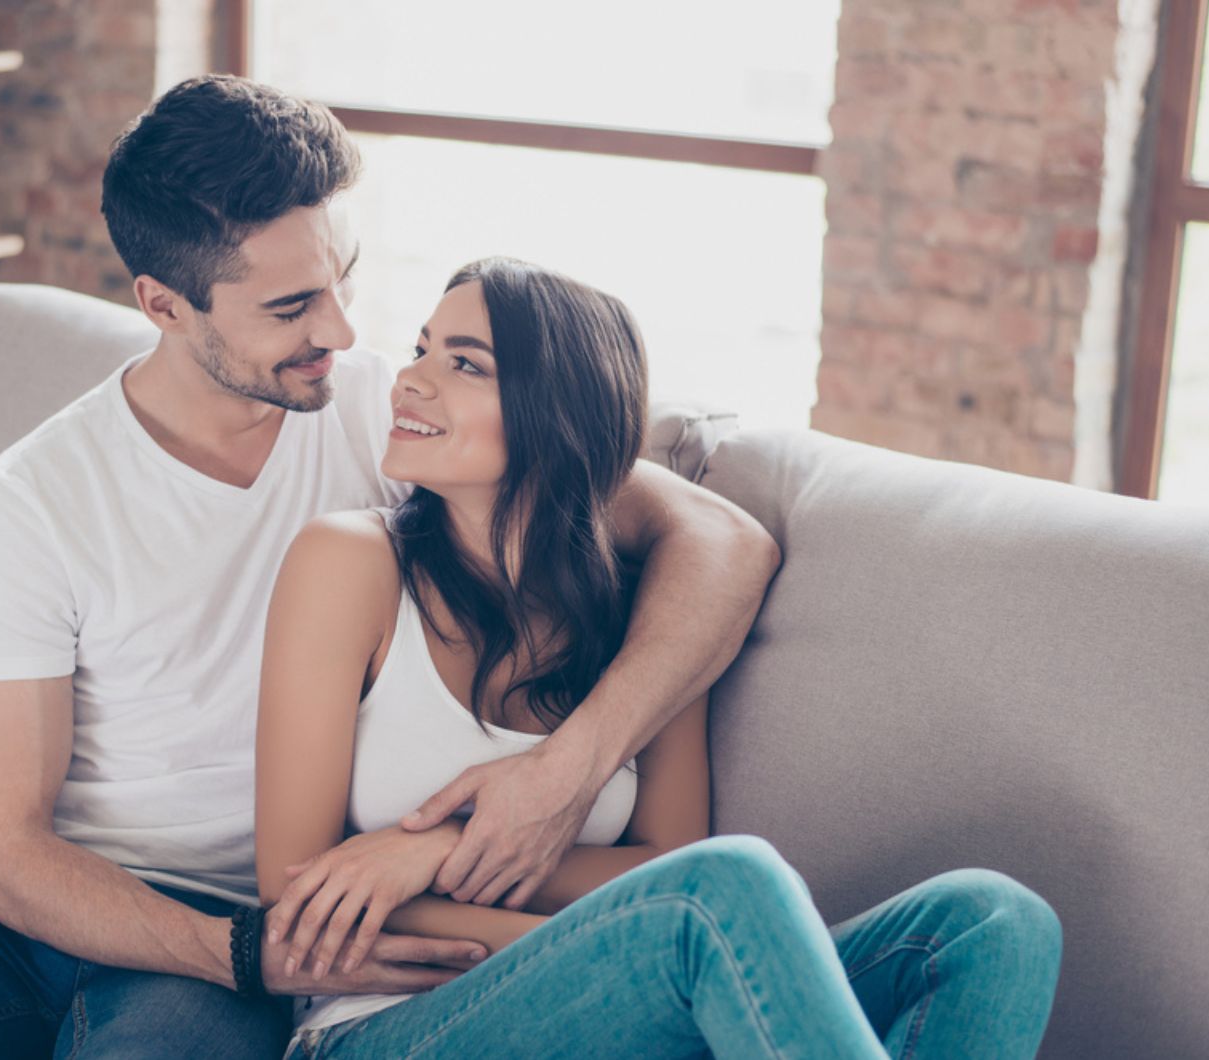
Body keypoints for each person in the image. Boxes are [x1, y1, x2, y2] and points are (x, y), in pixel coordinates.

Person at [0, 78, 779, 1058]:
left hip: (259, 913)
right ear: (161, 303)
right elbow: (9, 849)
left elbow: (723, 543)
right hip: (48, 916)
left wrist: (566, 768)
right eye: (291, 307)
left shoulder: (387, 419)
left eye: (340, 280)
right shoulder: (40, 497)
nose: (341, 331)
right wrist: (245, 954)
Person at [254, 257, 1064, 1058]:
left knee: (992, 922)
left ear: (559, 417)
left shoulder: (647, 614)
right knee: (725, 887)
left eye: (465, 364)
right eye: (422, 348)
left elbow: (663, 863)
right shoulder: (351, 562)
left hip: (627, 1003)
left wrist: (432, 853)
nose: (411, 380)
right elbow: (296, 894)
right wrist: (603, 949)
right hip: (378, 1028)